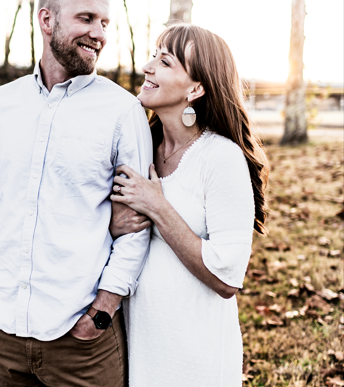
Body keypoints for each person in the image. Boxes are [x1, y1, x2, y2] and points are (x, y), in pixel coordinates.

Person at [0, 0, 153, 387]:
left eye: (105, 23)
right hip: (2, 332)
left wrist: (102, 311)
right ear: (47, 20)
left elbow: (136, 225)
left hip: (82, 343)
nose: (99, 33)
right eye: (86, 18)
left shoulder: (123, 112)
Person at [110, 23, 269, 387]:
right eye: (153, 55)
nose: (147, 67)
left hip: (195, 353)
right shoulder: (139, 148)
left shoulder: (220, 158)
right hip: (139, 343)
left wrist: (158, 207)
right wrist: (116, 226)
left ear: (195, 89)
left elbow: (227, 277)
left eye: (165, 62)